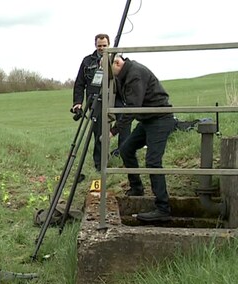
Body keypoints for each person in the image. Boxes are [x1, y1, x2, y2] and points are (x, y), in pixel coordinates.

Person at [110, 54, 177, 222]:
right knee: (126, 150)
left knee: (153, 162)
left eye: (109, 71)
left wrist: (114, 130)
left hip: (160, 118)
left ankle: (163, 208)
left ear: (117, 63)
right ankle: (137, 188)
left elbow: (133, 106)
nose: (109, 77)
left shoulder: (135, 74)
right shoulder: (123, 75)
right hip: (147, 119)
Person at [72, 33, 129, 172]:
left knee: (125, 122)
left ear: (108, 45)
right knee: (98, 132)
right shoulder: (87, 62)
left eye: (104, 45)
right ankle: (100, 164)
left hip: (117, 98)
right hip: (96, 100)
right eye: (99, 46)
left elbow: (127, 79)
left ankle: (125, 156)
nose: (102, 48)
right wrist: (77, 102)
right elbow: (79, 83)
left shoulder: (118, 59)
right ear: (95, 45)